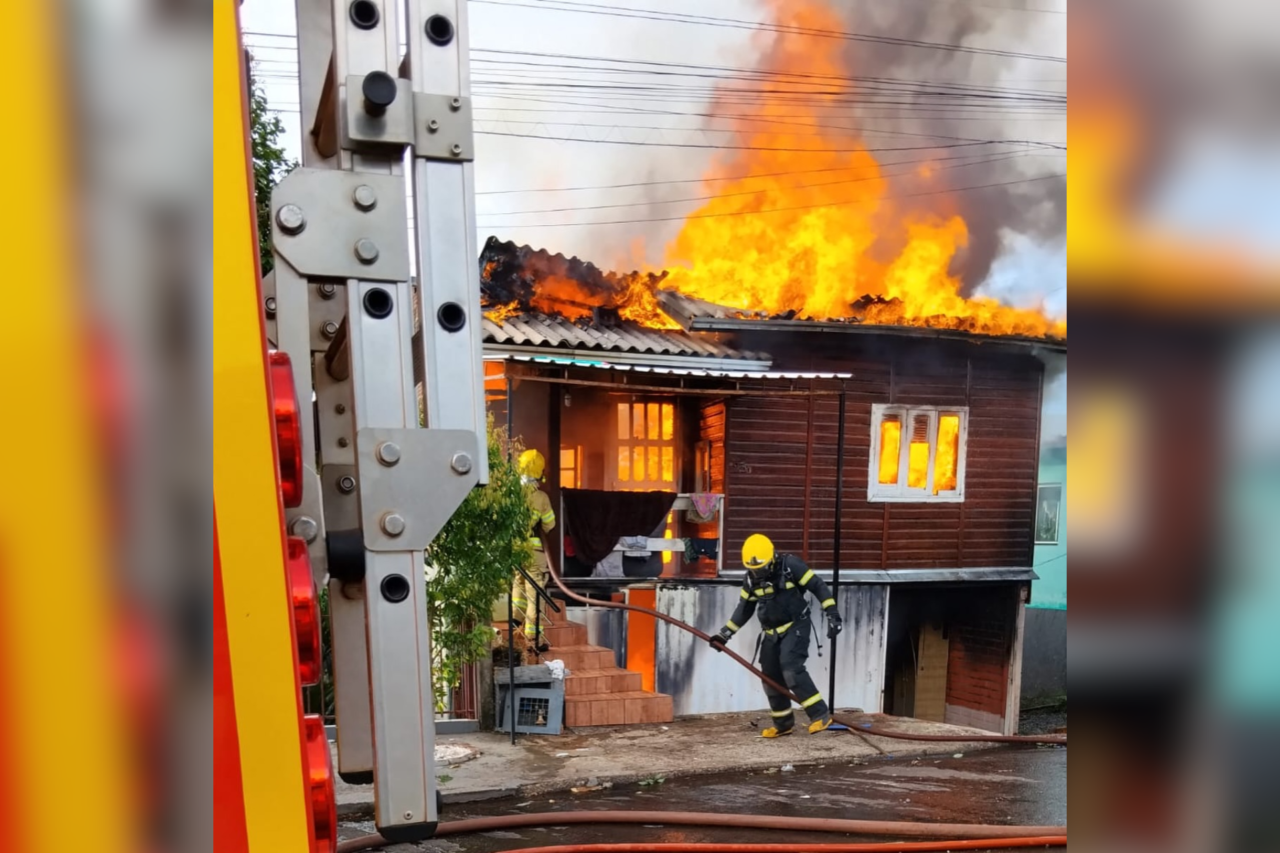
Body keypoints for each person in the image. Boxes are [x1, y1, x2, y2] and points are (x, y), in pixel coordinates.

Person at [709, 534, 843, 737]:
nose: (758, 572)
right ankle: (783, 724)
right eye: (753, 569)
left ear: (771, 558)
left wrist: (832, 613)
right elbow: (744, 609)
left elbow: (817, 586)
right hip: (771, 633)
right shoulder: (750, 579)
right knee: (770, 677)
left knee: (792, 669)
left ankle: (820, 715)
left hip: (795, 626)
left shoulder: (790, 566)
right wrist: (724, 634)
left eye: (761, 568)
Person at [513, 449, 556, 652]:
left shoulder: (511, 493)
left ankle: (514, 626)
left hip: (514, 550)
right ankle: (533, 639)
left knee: (517, 588)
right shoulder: (540, 497)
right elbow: (549, 524)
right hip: (534, 553)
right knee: (534, 595)